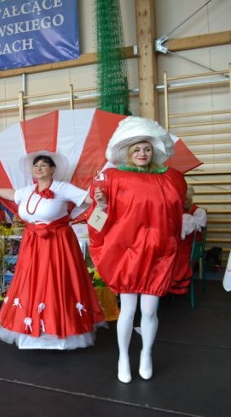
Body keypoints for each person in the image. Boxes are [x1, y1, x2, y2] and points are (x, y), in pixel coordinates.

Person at [89, 116, 187, 383]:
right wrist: (100, 205)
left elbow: (176, 215)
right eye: (137, 149)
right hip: (127, 252)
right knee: (129, 309)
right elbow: (99, 217)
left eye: (146, 149)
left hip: (158, 253)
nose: (142, 153)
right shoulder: (112, 177)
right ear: (128, 152)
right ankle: (123, 356)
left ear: (154, 150)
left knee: (151, 310)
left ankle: (146, 353)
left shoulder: (170, 178)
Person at [0, 152, 105, 349]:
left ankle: (60, 332)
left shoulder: (62, 188)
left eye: (44, 165)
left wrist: (100, 195)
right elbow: (12, 194)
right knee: (32, 283)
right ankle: (32, 334)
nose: (39, 168)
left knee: (57, 282)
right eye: (36, 165)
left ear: (53, 169)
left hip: (58, 243)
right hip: (32, 243)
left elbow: (88, 200)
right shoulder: (27, 190)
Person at [170, 186, 207, 295]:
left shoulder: (196, 212)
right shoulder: (176, 212)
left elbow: (181, 235)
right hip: (180, 247)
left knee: (163, 257)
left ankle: (164, 285)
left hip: (190, 250)